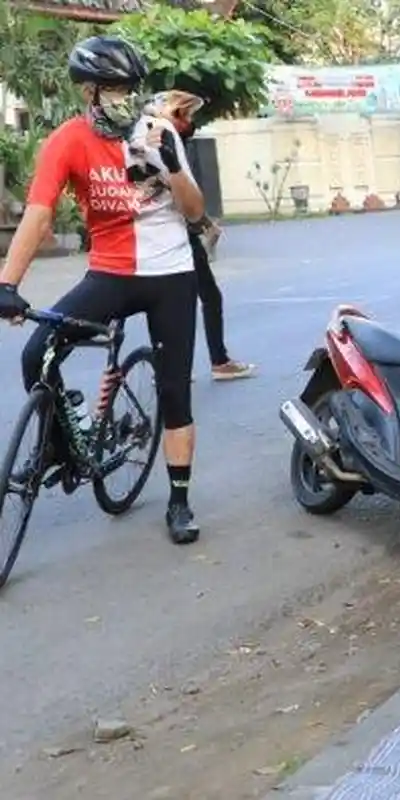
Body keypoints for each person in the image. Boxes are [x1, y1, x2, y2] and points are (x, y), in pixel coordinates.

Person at [0, 35, 205, 544]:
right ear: (87, 93)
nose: (121, 98)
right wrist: (8, 282)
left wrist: (172, 166)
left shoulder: (159, 134)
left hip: (172, 274)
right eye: (110, 89)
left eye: (128, 89)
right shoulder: (67, 140)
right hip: (111, 272)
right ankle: (62, 446)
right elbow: (41, 213)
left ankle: (179, 501)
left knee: (175, 392)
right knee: (35, 355)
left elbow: (196, 212)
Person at [148, 90, 255, 381]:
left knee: (177, 301)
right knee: (199, 298)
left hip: (174, 233)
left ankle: (172, 368)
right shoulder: (160, 142)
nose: (191, 122)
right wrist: (203, 223)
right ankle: (214, 362)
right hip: (170, 235)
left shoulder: (166, 141)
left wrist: (205, 224)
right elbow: (173, 193)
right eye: (187, 115)